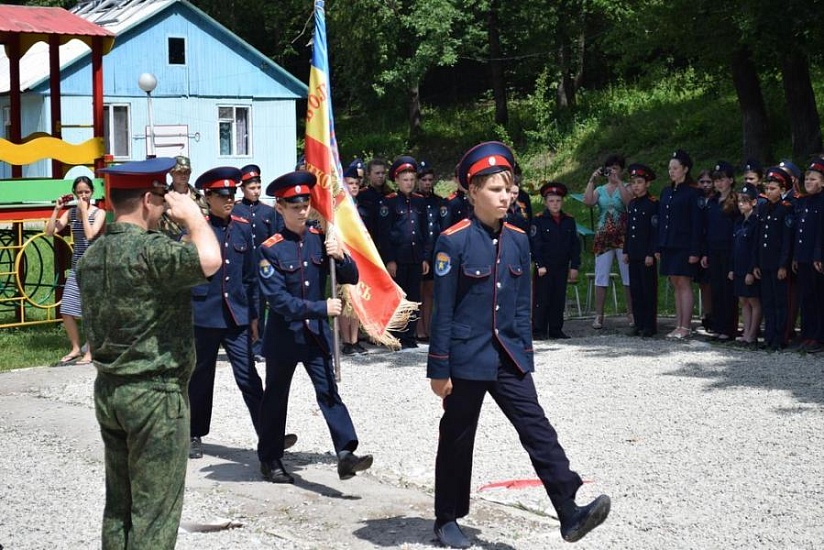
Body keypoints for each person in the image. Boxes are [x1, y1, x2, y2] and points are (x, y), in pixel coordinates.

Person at [428, 141, 610, 549]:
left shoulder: (518, 239)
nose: (505, 197)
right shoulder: (452, 241)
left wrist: (525, 354)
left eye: (508, 189)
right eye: (494, 189)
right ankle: (447, 518)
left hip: (507, 355)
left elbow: (522, 303)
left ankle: (569, 509)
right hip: (465, 358)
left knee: (537, 428)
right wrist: (439, 369)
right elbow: (442, 313)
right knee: (458, 437)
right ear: (472, 192)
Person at [75, 157, 222, 548]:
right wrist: (192, 214)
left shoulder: (92, 257)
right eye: (161, 197)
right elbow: (210, 259)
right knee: (154, 514)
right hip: (155, 396)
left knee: (119, 507)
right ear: (146, 200)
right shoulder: (151, 252)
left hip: (110, 391)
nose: (165, 204)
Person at [256, 171, 372, 484]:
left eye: (305, 203)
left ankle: (346, 453)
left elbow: (351, 276)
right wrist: (321, 308)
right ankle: (270, 458)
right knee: (276, 398)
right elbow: (278, 301)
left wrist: (341, 255)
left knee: (328, 391)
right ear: (279, 207)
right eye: (294, 205)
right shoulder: (270, 249)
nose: (302, 209)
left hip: (315, 336)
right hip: (284, 337)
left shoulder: (320, 240)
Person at [187, 167, 267, 460]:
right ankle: (193, 434)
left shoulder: (243, 227)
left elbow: (250, 276)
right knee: (200, 376)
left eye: (232, 194)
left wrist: (255, 314)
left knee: (249, 375)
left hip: (236, 315)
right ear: (208, 197)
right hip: (205, 314)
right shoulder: (196, 229)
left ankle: (268, 433)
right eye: (223, 195)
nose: (229, 199)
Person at [45, 175, 106, 366]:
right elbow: (49, 231)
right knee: (66, 309)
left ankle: (91, 350)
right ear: (74, 193)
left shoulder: (99, 213)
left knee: (89, 311)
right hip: (77, 265)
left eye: (86, 192)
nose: (83, 196)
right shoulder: (71, 213)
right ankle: (75, 348)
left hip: (94, 266)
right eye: (79, 192)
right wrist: (57, 209)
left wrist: (84, 213)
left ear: (92, 192)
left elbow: (90, 235)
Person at [377, 156, 432, 349]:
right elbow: (384, 235)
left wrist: (425, 256)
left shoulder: (419, 202)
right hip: (398, 259)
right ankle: (396, 335)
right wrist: (390, 260)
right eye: (405, 180)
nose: (409, 183)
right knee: (398, 298)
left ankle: (410, 335)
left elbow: (425, 232)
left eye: (411, 179)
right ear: (397, 181)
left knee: (414, 298)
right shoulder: (389, 202)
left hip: (416, 257)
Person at [232, 163, 284, 361]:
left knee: (260, 305)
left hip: (262, 267)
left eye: (258, 187)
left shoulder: (268, 212)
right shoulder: (236, 211)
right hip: (241, 266)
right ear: (243, 189)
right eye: (251, 188)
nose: (255, 191)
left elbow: (275, 239)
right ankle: (242, 344)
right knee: (242, 304)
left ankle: (258, 344)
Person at [583, 154, 633, 329]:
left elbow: (629, 202)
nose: (612, 172)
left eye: (616, 169)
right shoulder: (601, 190)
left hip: (623, 236)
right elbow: (587, 201)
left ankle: (631, 312)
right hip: (603, 237)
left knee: (627, 275)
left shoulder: (627, 187)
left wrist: (619, 181)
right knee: (601, 275)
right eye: (610, 169)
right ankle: (599, 315)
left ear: (621, 170)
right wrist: (592, 180)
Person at [657, 149, 702, 339]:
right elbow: (661, 221)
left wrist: (695, 250)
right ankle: (678, 324)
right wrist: (658, 246)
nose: (671, 171)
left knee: (684, 282)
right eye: (670, 168)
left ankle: (686, 326)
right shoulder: (667, 191)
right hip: (669, 243)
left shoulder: (693, 193)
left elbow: (696, 224)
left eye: (675, 168)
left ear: (685, 169)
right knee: (675, 282)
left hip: (684, 244)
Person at [529, 182, 580, 339]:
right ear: (545, 202)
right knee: (542, 298)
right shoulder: (539, 220)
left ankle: (556, 329)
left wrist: (574, 265)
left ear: (562, 202)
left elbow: (574, 245)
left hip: (561, 265)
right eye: (551, 201)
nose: (555, 204)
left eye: (558, 201)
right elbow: (535, 244)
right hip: (545, 266)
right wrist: (540, 264)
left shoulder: (568, 220)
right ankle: (539, 330)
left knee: (558, 298)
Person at [754, 166, 794, 351]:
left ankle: (780, 337)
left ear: (783, 190)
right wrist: (756, 263)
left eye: (773, 189)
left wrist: (783, 265)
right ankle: (769, 335)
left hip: (778, 263)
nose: (769, 192)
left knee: (780, 301)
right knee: (768, 301)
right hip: (765, 261)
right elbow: (759, 237)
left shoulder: (785, 210)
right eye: (767, 189)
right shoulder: (763, 209)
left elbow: (786, 241)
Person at [701, 162, 739, 341]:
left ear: (730, 180)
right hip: (714, 249)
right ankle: (718, 325)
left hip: (729, 249)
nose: (718, 184)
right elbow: (708, 229)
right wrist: (706, 253)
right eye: (716, 180)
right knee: (716, 288)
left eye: (722, 180)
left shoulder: (736, 201)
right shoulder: (712, 202)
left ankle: (729, 328)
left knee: (728, 290)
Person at [622, 164, 659, 337]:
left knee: (648, 290)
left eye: (639, 182)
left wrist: (651, 253)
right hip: (634, 252)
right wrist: (626, 250)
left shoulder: (653, 204)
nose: (636, 185)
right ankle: (638, 323)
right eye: (633, 182)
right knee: (635, 289)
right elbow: (629, 229)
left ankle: (649, 325)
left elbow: (654, 231)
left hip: (646, 255)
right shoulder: (632, 204)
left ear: (647, 184)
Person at [793, 158, 824, 353]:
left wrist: (818, 255)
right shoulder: (803, 201)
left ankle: (819, 336)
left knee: (819, 297)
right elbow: (799, 232)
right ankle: (808, 334)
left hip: (816, 258)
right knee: (807, 297)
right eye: (807, 179)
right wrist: (796, 255)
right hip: (803, 256)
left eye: (813, 179)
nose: (808, 182)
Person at [340, 159, 368, 355]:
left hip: (360, 256)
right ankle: (346, 341)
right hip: (343, 256)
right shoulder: (339, 208)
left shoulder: (362, 207)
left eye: (357, 184)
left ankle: (355, 339)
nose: (354, 187)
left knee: (357, 298)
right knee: (343, 299)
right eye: (350, 183)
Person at [416, 159, 445, 342]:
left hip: (435, 251)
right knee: (417, 292)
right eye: (424, 179)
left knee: (430, 293)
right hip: (418, 252)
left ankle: (428, 328)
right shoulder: (415, 201)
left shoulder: (439, 202)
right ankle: (417, 329)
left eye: (429, 179)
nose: (427, 183)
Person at [729, 186, 761, 348]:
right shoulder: (739, 222)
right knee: (743, 300)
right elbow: (734, 248)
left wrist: (750, 271)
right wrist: (732, 268)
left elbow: (754, 249)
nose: (741, 204)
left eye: (744, 201)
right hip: (739, 267)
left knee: (753, 300)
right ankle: (746, 331)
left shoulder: (756, 222)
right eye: (739, 201)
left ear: (754, 202)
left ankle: (752, 333)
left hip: (749, 268)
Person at [357, 157, 390, 240]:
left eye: (383, 173)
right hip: (368, 241)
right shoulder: (361, 195)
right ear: (368, 175)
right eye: (377, 173)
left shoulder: (390, 195)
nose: (381, 176)